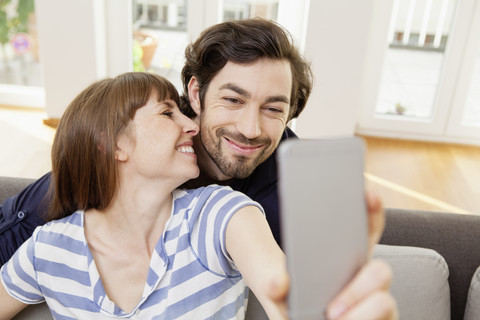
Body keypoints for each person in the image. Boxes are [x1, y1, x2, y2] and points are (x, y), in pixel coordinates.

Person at [0, 18, 397, 319]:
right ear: (195, 94)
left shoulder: (237, 209)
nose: (250, 128)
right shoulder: (58, 231)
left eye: (274, 108)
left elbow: (295, 295)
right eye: (234, 100)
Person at [0, 72, 287, 319]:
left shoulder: (220, 214)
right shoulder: (48, 250)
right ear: (113, 144)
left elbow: (289, 298)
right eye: (167, 113)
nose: (193, 126)